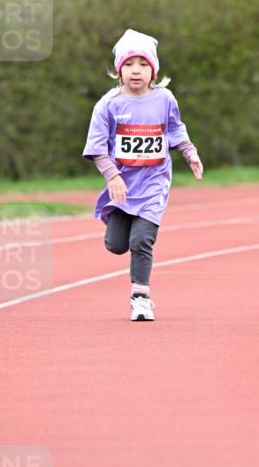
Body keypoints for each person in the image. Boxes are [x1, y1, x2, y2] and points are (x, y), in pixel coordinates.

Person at [83, 28, 203, 321]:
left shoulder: (165, 100)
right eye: (129, 64)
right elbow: (97, 146)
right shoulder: (108, 105)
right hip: (122, 187)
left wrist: (189, 152)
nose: (136, 71)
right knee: (116, 245)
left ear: (154, 70)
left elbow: (175, 128)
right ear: (118, 70)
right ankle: (118, 223)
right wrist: (113, 176)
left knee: (141, 240)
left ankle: (141, 299)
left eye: (143, 64)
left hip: (154, 183)